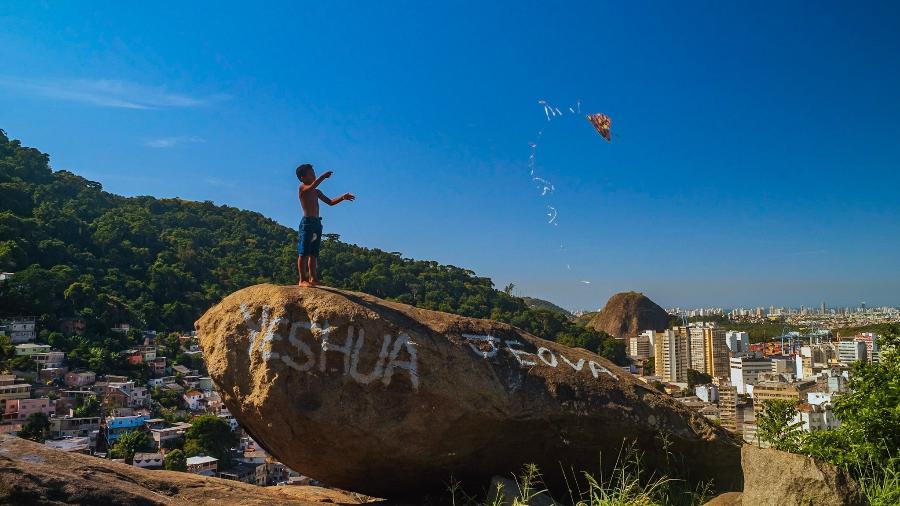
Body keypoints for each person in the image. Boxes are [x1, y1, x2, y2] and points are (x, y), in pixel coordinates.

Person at [296, 163, 355, 286]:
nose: (314, 175)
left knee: (313, 253)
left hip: (317, 223)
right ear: (302, 177)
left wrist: (342, 197)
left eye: (314, 172)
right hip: (307, 223)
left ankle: (313, 278)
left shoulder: (316, 192)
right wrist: (323, 176)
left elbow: (330, 202)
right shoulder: (302, 188)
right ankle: (302, 280)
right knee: (304, 252)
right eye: (311, 173)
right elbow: (312, 185)